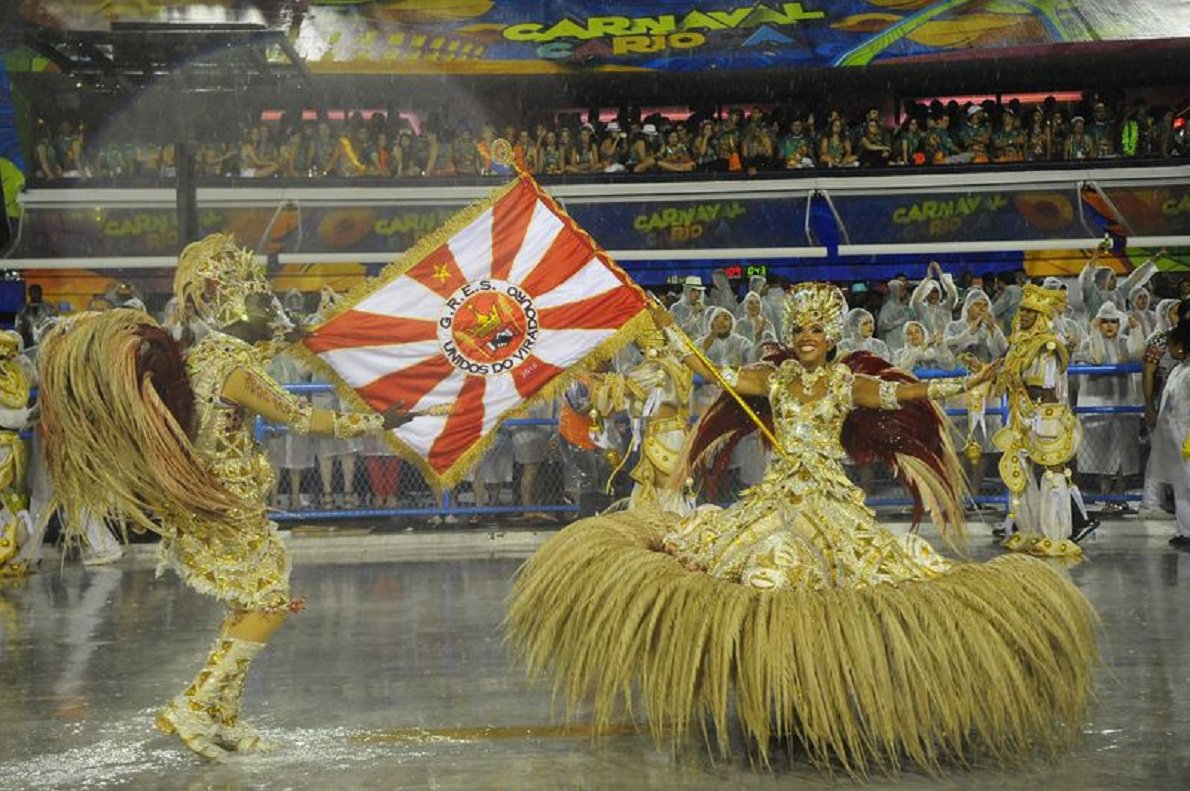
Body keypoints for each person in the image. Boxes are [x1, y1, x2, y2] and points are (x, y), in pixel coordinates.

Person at [508, 283, 1096, 775]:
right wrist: (669, 330)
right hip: (775, 498)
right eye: (799, 330)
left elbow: (902, 394)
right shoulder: (776, 378)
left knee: (846, 584)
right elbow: (713, 372)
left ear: (831, 337)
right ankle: (776, 692)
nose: (807, 337)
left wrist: (967, 383)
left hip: (830, 502)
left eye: (816, 330)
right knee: (761, 573)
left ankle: (817, 693)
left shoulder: (843, 384)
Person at [36, 233, 412, 760]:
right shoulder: (233, 367)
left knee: (247, 606)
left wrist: (298, 335)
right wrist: (379, 422)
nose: (275, 310)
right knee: (270, 602)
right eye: (264, 302)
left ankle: (226, 719)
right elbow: (301, 417)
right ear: (236, 306)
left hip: (220, 499)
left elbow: (268, 346)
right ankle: (194, 704)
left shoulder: (211, 354)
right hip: (225, 502)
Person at [993, 285, 1091, 557]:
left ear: (1041, 316)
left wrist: (1038, 415)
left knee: (1052, 472)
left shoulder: (1047, 346)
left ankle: (1056, 534)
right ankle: (1029, 529)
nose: (1023, 315)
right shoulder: (1019, 344)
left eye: (1030, 311)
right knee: (1020, 471)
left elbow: (1045, 388)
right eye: (1022, 310)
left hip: (1045, 415)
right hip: (1021, 414)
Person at [590, 325, 694, 515]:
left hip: (664, 438)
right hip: (672, 434)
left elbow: (623, 387)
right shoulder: (677, 364)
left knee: (665, 492)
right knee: (656, 491)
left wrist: (599, 382)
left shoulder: (657, 367)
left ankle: (672, 528)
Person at [1075, 302, 1145, 513]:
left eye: (1114, 321)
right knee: (1102, 456)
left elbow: (1137, 353)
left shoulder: (1125, 342)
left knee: (1125, 454)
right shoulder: (1087, 344)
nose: (1109, 326)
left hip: (1124, 406)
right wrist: (1094, 333)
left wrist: (1136, 330)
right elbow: (1096, 358)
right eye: (1105, 322)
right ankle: (1106, 498)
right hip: (1097, 409)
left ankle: (1120, 497)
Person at [1139, 298, 1184, 519]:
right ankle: (1151, 503)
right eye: (1175, 313)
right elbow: (1148, 372)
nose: (1180, 317)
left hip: (1182, 405)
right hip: (1162, 403)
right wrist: (1149, 405)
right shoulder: (1159, 339)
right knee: (1158, 453)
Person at [1150, 319, 1190, 550]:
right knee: (1181, 486)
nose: (1169, 350)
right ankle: (1185, 532)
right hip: (1176, 436)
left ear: (1182, 346)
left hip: (1186, 436)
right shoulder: (1179, 371)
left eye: (1172, 345)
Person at [909, 261, 959, 341]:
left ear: (940, 293)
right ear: (925, 294)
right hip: (927, 345)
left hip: (945, 344)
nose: (933, 295)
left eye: (935, 291)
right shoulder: (922, 309)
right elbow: (915, 299)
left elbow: (953, 295)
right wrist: (927, 279)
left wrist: (941, 275)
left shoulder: (945, 307)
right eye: (930, 292)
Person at [877, 279, 912, 352]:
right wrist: (899, 320)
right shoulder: (888, 307)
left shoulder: (904, 306)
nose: (904, 292)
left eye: (904, 290)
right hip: (892, 342)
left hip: (904, 341)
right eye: (901, 290)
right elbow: (882, 325)